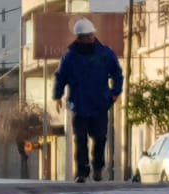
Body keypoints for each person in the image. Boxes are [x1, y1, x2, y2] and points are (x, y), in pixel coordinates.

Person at [52, 18, 123, 183]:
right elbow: (60, 77)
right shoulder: (70, 57)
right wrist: (57, 96)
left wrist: (115, 92)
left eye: (92, 34)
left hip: (100, 104)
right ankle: (82, 172)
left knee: (100, 138)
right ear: (79, 38)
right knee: (80, 139)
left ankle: (98, 167)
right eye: (87, 35)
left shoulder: (105, 53)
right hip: (79, 105)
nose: (91, 38)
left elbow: (117, 74)